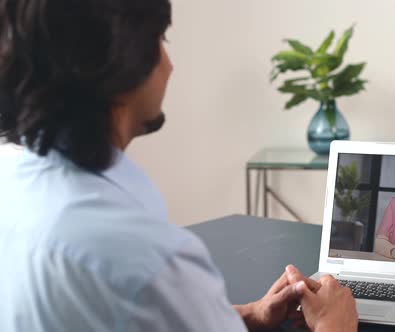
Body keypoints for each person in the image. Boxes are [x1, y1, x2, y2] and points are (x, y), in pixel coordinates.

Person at [0, 0, 357, 331]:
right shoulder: (147, 260)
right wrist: (333, 322)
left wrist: (248, 314)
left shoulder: (11, 183)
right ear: (120, 63)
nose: (169, 65)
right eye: (161, 40)